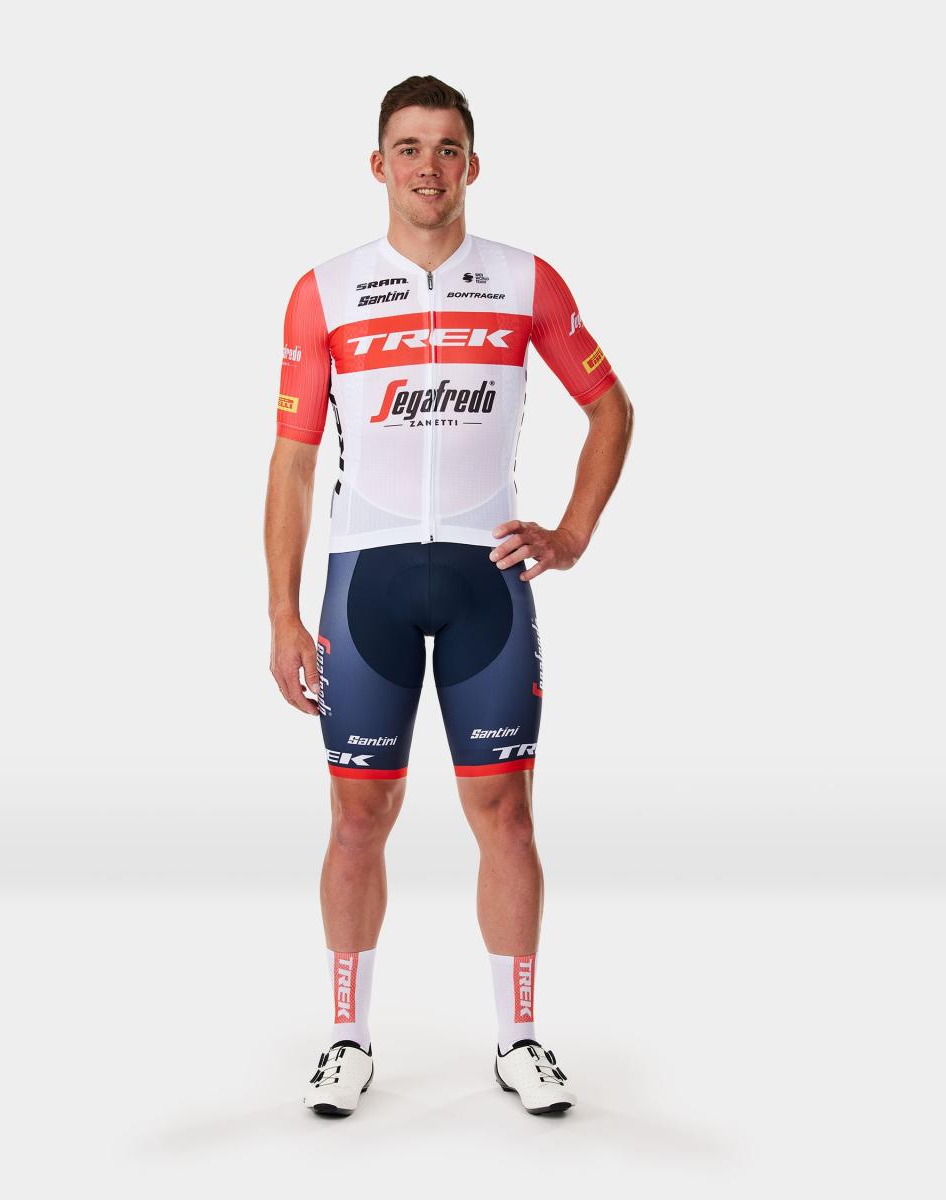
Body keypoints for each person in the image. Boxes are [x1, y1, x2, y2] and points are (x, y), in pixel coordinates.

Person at [264, 76, 633, 1118]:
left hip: (488, 582)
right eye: (409, 147)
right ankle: (347, 1038)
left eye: (447, 148)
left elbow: (611, 408)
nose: (428, 166)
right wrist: (282, 613)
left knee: (506, 815)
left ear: (473, 164)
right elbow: (292, 463)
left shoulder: (523, 281)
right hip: (363, 581)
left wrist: (572, 533)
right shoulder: (326, 291)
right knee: (356, 818)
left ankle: (519, 1039)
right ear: (378, 164)